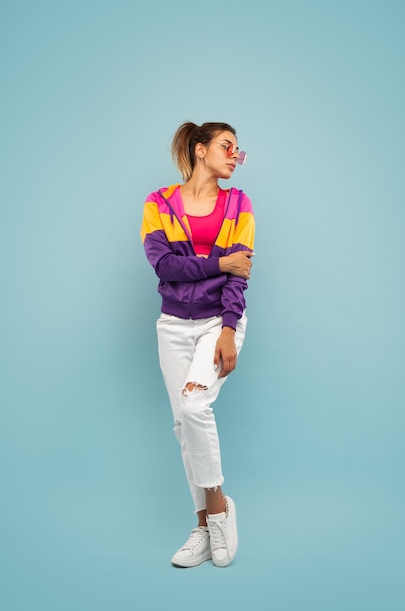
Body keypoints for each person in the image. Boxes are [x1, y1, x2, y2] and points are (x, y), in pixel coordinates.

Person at [140, 121, 255, 568]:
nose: (235, 156)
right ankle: (205, 525)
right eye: (228, 146)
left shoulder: (239, 204)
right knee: (181, 426)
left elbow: (239, 274)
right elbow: (164, 266)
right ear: (201, 149)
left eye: (239, 150)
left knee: (194, 409)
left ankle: (220, 511)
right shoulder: (158, 203)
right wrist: (219, 261)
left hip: (217, 323)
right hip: (172, 325)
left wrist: (228, 328)